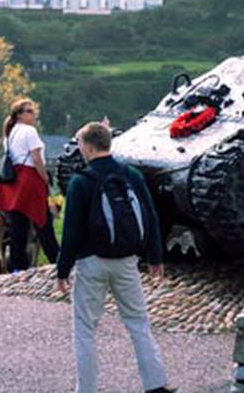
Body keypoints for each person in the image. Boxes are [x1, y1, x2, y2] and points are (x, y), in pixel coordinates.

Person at [55, 122, 176, 393]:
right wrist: (156, 257)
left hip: (91, 262)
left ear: (87, 146)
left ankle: (86, 389)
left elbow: (71, 231)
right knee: (138, 323)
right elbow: (151, 216)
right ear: (109, 143)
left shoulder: (81, 182)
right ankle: (156, 385)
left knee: (85, 328)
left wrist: (62, 270)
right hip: (127, 261)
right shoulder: (131, 175)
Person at [0, 97, 59, 271]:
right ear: (19, 115)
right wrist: (44, 177)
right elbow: (37, 158)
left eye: (33, 111)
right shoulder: (29, 131)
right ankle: (57, 259)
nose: (33, 114)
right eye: (29, 111)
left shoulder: (10, 134)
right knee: (43, 221)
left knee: (18, 226)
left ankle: (18, 266)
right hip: (30, 178)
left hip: (15, 181)